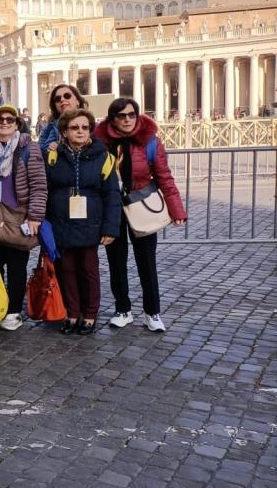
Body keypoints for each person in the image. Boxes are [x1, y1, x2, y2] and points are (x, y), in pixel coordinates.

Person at [95, 98, 187, 333]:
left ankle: (152, 312)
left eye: (131, 115)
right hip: (113, 208)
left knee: (146, 261)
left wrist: (176, 209)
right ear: (112, 118)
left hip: (141, 205)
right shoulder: (100, 142)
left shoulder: (150, 142)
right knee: (116, 261)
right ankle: (122, 309)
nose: (127, 119)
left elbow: (164, 176)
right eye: (121, 115)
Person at [45, 108, 121, 335]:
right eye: (74, 127)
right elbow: (45, 190)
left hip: (90, 221)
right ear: (64, 131)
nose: (80, 131)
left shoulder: (104, 157)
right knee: (66, 269)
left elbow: (112, 196)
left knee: (89, 270)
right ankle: (71, 312)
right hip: (62, 221)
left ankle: (89, 315)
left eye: (85, 127)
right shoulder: (52, 156)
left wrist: (110, 227)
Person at [0, 105, 47, 331]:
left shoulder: (29, 148)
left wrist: (35, 216)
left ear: (17, 123)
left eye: (9, 119)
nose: (4, 123)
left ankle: (14, 310)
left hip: (18, 215)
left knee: (17, 267)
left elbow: (38, 185)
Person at [40, 84, 89, 153]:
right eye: (57, 99)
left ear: (77, 101)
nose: (62, 99)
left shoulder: (91, 124)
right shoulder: (48, 128)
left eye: (67, 96)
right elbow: (42, 153)